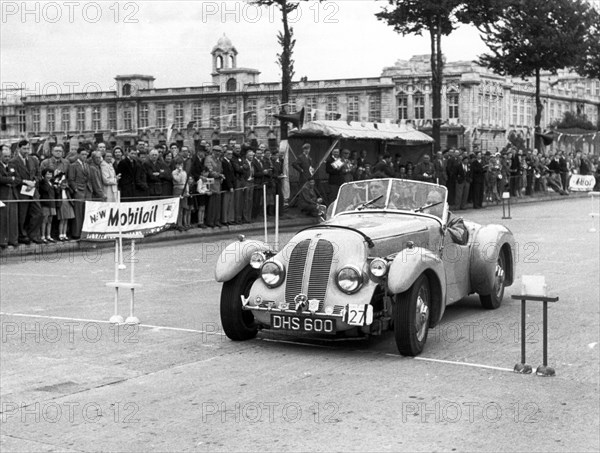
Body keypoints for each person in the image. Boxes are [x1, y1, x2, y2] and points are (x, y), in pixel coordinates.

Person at [10, 140, 44, 244]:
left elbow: (39, 175)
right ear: (19, 149)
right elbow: (14, 178)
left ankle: (32, 234)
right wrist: (25, 182)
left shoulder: (34, 160)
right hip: (21, 192)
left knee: (38, 213)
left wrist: (34, 181)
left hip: (33, 191)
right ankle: (22, 235)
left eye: (27, 149)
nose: (26, 151)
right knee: (22, 215)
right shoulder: (13, 162)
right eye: (24, 149)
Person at [67, 147, 93, 239]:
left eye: (86, 154)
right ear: (78, 154)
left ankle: (84, 232)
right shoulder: (73, 165)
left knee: (86, 212)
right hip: (79, 191)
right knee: (78, 213)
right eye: (82, 154)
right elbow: (71, 179)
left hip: (87, 191)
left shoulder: (87, 165)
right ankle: (76, 233)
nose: (84, 156)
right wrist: (75, 189)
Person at [0, 145, 20, 248]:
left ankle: (13, 239)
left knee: (13, 217)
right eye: (5, 156)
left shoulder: (12, 166)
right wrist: (11, 179)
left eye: (9, 156)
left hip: (13, 194)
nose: (7, 158)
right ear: (0, 156)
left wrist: (10, 180)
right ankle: (3, 241)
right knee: (3, 218)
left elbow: (18, 179)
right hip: (2, 195)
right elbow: (0, 179)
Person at [172, 157, 190, 230]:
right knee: (178, 208)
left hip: (184, 189)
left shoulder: (184, 172)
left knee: (183, 207)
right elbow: (178, 180)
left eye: (181, 164)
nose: (180, 166)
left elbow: (186, 182)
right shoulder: (174, 172)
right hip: (177, 189)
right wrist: (178, 172)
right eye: (178, 164)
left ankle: (183, 223)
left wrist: (187, 191)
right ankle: (178, 224)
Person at [39, 168, 57, 242]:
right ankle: (43, 236)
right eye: (47, 174)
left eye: (50, 174)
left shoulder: (52, 183)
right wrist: (45, 181)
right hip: (45, 204)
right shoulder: (42, 182)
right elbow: (45, 189)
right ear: (44, 175)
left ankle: (48, 235)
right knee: (44, 220)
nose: (49, 176)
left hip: (52, 204)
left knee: (50, 220)